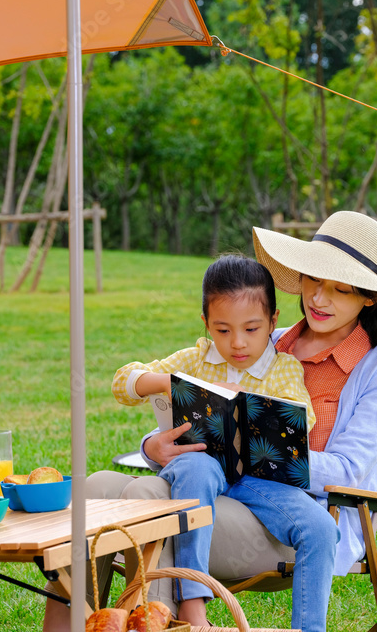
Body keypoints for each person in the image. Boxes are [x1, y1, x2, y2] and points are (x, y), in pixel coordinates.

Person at [45, 211, 377, 632]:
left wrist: (261, 452)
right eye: (314, 280)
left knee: (152, 503)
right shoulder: (260, 339)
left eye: (340, 290)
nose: (318, 299)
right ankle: (75, 626)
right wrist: (154, 445)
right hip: (211, 484)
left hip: (290, 511)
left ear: (369, 297)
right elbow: (198, 402)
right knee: (96, 489)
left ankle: (172, 617)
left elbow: (349, 470)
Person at [111, 255, 315, 626]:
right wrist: (166, 383)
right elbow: (122, 382)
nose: (237, 343)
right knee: (197, 466)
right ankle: (193, 600)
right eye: (222, 330)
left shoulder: (284, 368)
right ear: (206, 323)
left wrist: (254, 406)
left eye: (252, 330)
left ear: (273, 321)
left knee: (321, 529)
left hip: (259, 482)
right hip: (201, 471)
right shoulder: (196, 359)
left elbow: (303, 420)